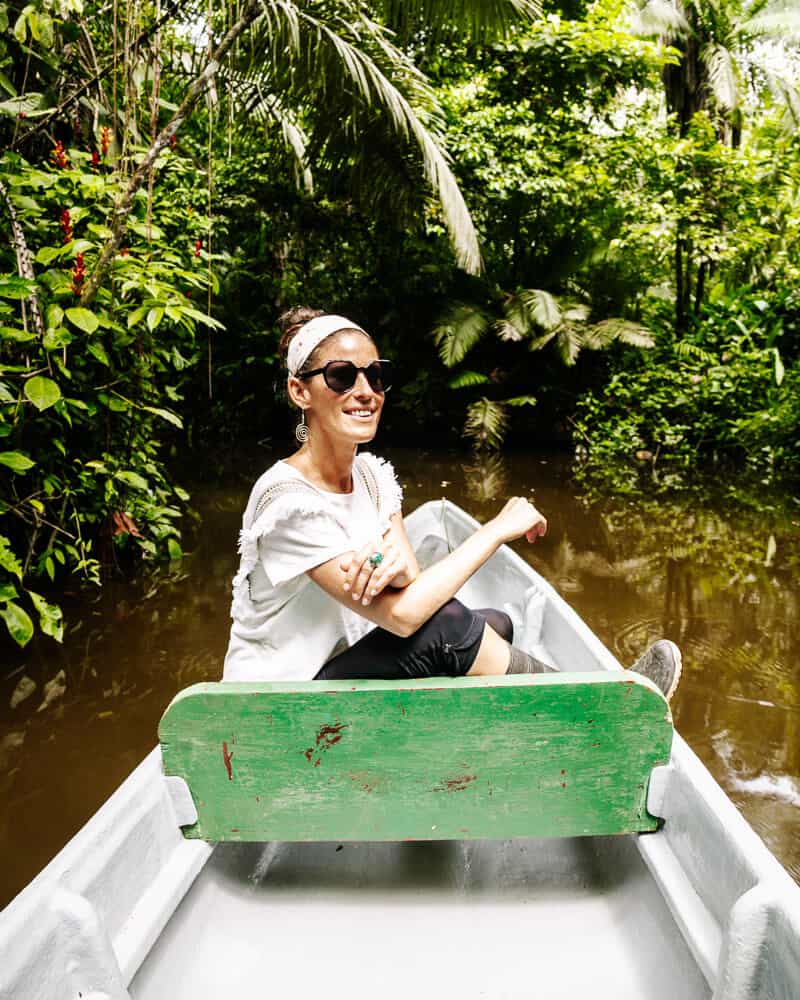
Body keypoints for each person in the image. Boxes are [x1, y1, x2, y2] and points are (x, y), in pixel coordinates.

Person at [223, 307, 681, 699]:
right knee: (452, 631)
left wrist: (402, 570)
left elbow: (415, 592)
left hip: (345, 662)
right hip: (283, 699)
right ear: (299, 391)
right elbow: (404, 618)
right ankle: (597, 705)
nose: (364, 391)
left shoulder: (372, 478)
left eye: (375, 375)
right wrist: (496, 530)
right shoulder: (287, 501)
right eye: (342, 377)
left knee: (496, 623)